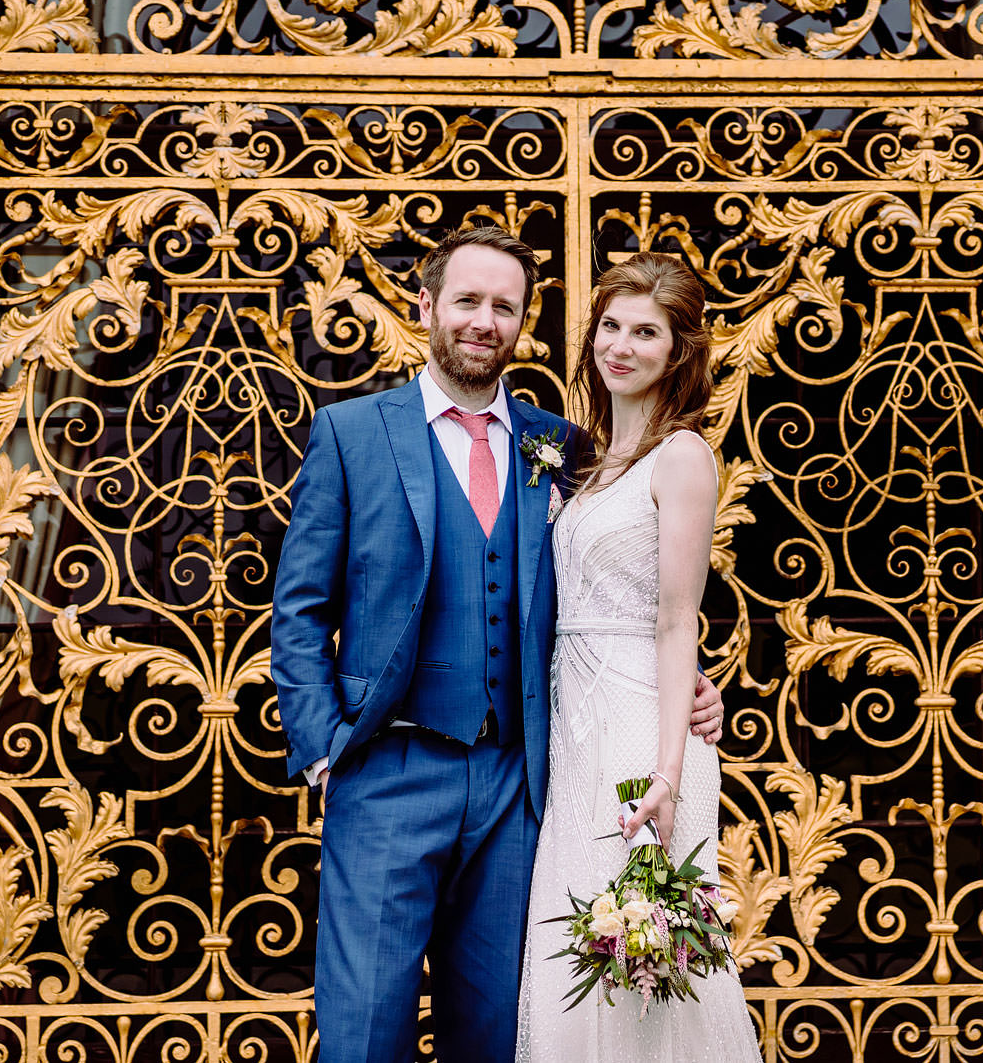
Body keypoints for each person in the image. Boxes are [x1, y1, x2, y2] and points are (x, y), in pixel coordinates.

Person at [270, 227, 726, 1063]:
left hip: (523, 787)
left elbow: (628, 585)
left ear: (524, 322)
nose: (484, 321)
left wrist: (693, 681)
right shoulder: (352, 434)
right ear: (427, 307)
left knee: (499, 1034)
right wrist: (321, 749)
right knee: (363, 1035)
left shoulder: (560, 446)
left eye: (504, 307)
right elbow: (298, 608)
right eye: (468, 301)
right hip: (386, 772)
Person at [515, 251, 762, 1062]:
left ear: (678, 350)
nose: (621, 346)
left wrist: (667, 772)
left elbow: (675, 618)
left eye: (646, 332)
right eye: (611, 326)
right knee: (575, 953)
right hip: (572, 727)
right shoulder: (583, 461)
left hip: (636, 732)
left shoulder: (682, 455)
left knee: (645, 971)